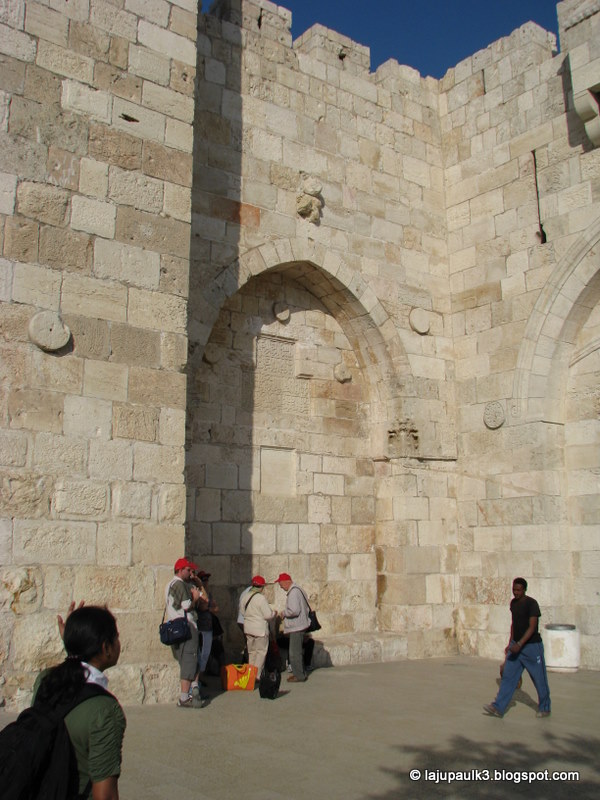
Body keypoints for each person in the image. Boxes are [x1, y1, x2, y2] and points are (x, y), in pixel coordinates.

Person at [34, 605, 126, 800]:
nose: (119, 642)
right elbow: (105, 795)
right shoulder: (105, 711)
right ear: (105, 648)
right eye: (116, 637)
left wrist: (73, 641)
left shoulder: (44, 681)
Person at [483, 577, 551, 719]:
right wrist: (511, 643)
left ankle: (545, 707)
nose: (516, 593)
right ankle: (498, 707)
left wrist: (520, 644)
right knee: (508, 677)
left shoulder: (532, 604)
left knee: (539, 679)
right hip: (516, 647)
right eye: (514, 589)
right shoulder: (513, 603)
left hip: (531, 647)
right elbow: (514, 624)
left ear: (524, 590)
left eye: (519, 590)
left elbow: (532, 627)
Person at [165, 557, 205, 708]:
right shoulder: (180, 584)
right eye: (188, 570)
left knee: (186, 659)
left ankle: (192, 689)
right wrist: (194, 598)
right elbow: (186, 605)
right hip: (186, 625)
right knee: (190, 658)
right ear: (180, 570)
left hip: (175, 626)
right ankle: (184, 697)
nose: (190, 573)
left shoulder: (169, 584)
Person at [275, 572, 310, 683]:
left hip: (296, 626)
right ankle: (300, 673)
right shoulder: (298, 589)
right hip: (300, 625)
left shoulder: (293, 592)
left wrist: (284, 613)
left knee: (294, 653)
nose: (280, 586)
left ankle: (299, 676)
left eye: (280, 583)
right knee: (297, 651)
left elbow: (294, 610)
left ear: (286, 582)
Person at [240, 575, 276, 676]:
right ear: (262, 587)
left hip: (248, 628)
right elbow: (268, 615)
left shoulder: (245, 596)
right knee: (261, 653)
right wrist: (274, 613)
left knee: (252, 652)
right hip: (260, 629)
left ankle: (250, 675)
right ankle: (257, 675)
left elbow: (242, 612)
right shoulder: (261, 598)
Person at [192, 568, 219, 684]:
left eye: (207, 579)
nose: (206, 581)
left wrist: (209, 607)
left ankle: (201, 676)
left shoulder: (209, 594)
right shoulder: (198, 592)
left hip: (208, 626)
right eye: (203, 579)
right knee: (200, 653)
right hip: (201, 627)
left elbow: (216, 608)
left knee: (206, 653)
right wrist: (210, 607)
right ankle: (198, 678)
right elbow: (202, 607)